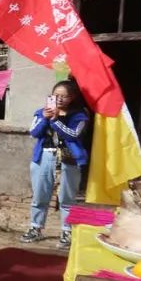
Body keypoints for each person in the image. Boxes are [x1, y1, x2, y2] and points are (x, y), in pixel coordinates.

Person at [21, 79, 90, 248]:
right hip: (44, 157)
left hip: (69, 159)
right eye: (55, 95)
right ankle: (35, 228)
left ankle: (67, 232)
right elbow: (34, 132)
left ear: (72, 98)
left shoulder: (80, 116)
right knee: (40, 195)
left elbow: (73, 135)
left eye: (64, 96)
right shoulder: (41, 113)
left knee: (67, 197)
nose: (59, 99)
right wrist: (45, 118)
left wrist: (55, 121)